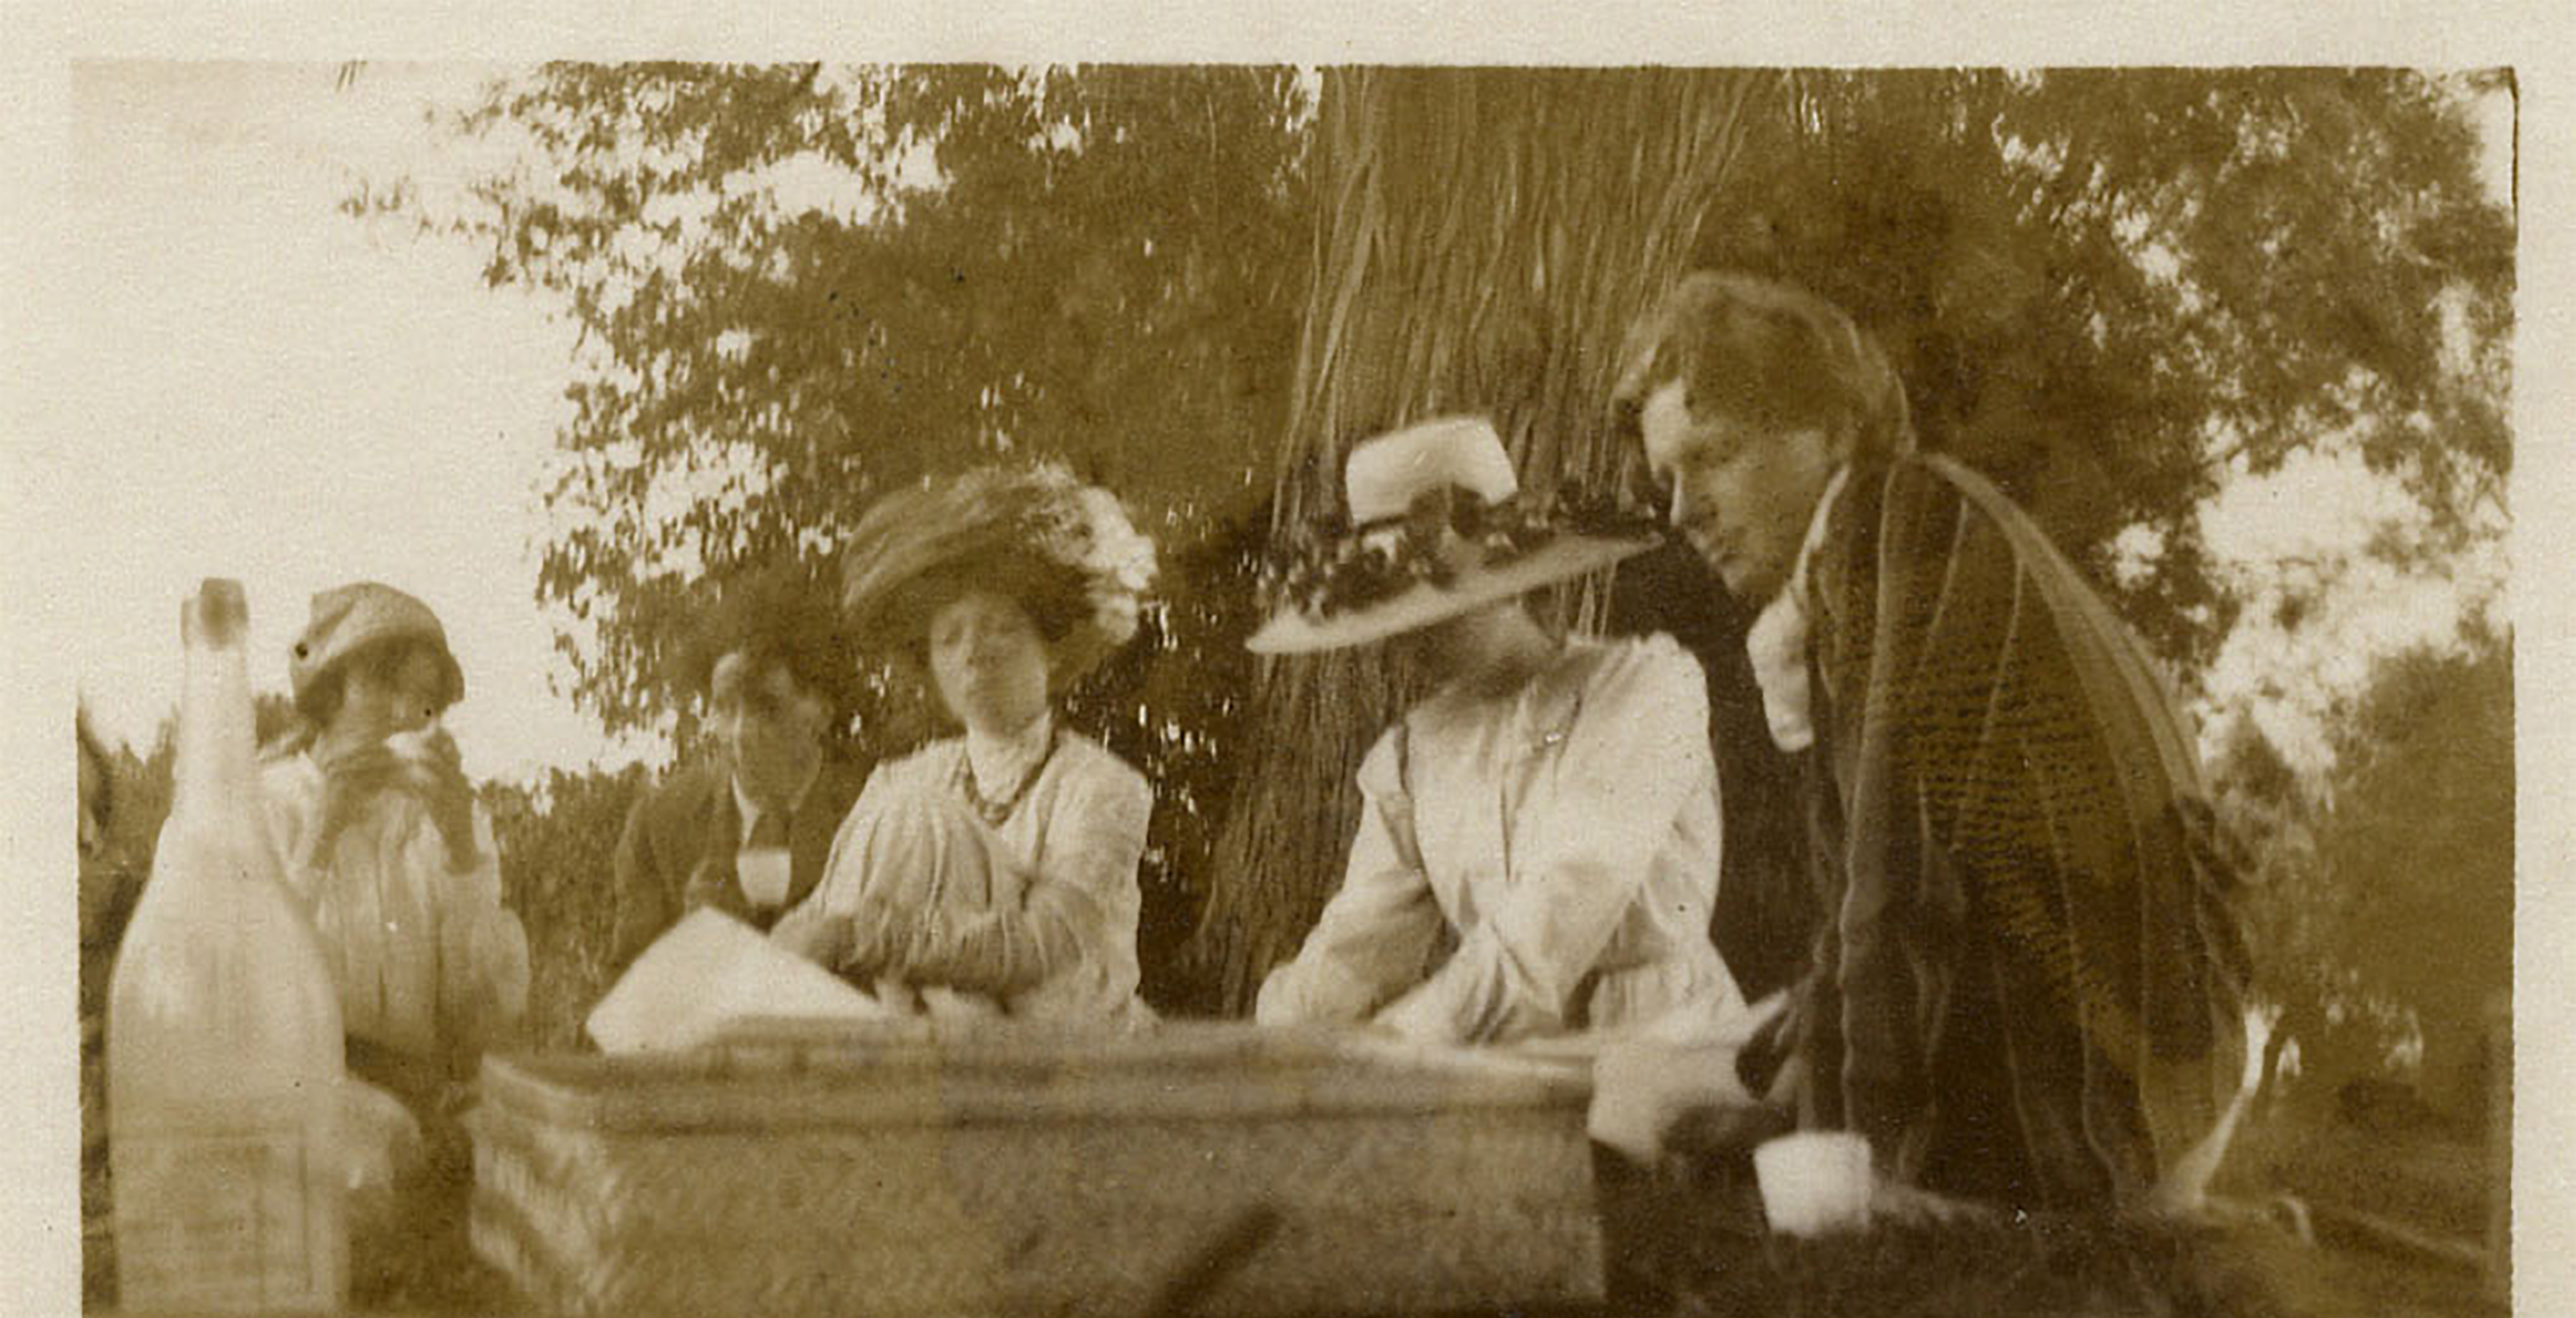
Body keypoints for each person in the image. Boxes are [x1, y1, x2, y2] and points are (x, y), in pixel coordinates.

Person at [1612, 271, 2246, 1213]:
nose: (1679, 511)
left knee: (1630, 1098)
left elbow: (1893, 888)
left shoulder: (1896, 524)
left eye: (1712, 456)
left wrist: (1831, 1150)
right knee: (1671, 1069)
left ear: (1828, 428)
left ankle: (1913, 1197)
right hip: (2147, 1090)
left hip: (2087, 1116)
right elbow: (1873, 910)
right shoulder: (1892, 540)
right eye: (1667, 477)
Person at [1249, 415, 1748, 1053]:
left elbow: (1565, 900)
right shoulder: (1412, 754)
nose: (1408, 639)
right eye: (1391, 617)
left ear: (1513, 587)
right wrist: (1274, 1045)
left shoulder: (1644, 688)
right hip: (1513, 1062)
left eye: (1436, 610)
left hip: (1669, 1046)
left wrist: (1402, 1041)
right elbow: (1357, 950)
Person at [772, 464, 1156, 1026]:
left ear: (1051, 648)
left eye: (999, 626)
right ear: (931, 669)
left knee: (924, 818)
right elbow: (821, 916)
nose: (974, 651)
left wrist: (861, 936)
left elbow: (1041, 951)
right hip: (939, 1045)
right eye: (949, 637)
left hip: (1070, 1051)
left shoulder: (1102, 787)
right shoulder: (902, 780)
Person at [262, 581, 528, 1301]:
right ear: (329, 691)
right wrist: (321, 834)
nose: (407, 717)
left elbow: (486, 1021)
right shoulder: (261, 806)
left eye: (426, 702)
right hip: (290, 1092)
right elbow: (240, 994)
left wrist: (463, 850)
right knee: (365, 1161)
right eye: (385, 689)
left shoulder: (447, 823)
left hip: (420, 1092)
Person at [609, 577, 869, 976]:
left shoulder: (871, 815)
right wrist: (689, 941)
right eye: (725, 708)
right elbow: (624, 998)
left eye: (766, 707)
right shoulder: (660, 822)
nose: (741, 731)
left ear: (820, 710)